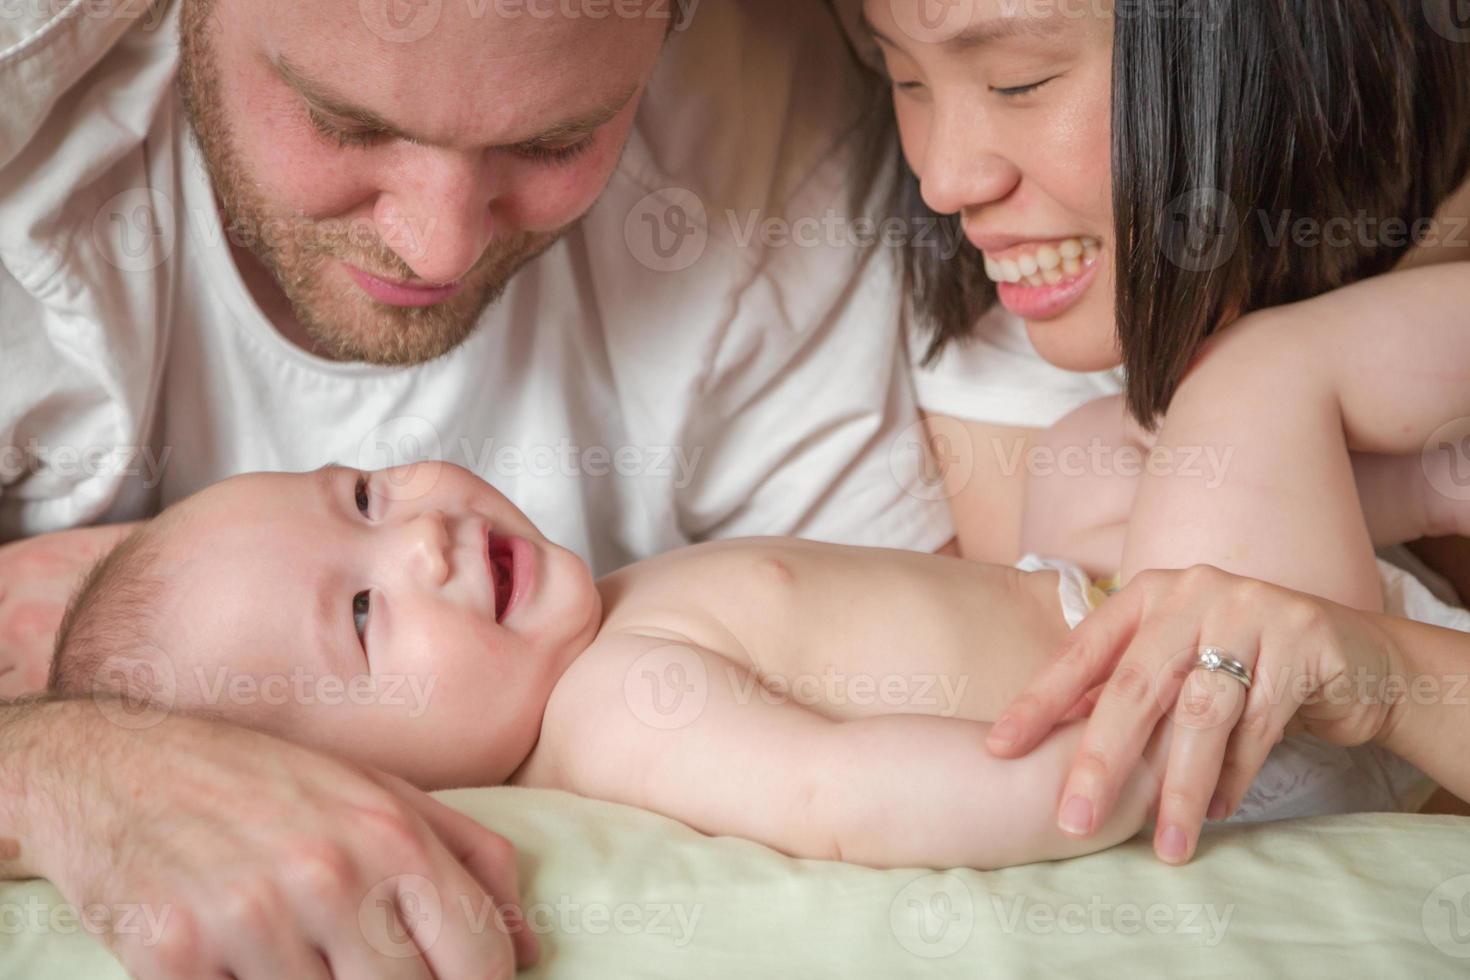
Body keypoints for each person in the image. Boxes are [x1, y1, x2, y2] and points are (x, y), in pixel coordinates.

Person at [0, 1, 952, 975]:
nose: (438, 248)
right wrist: (78, 767)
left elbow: (933, 645)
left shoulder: (767, 145)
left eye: (556, 143)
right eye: (346, 122)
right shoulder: (25, 136)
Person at [47, 262, 1470, 885]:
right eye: (362, 616)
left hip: (1122, 612)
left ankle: (1420, 486)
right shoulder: (619, 714)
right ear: (373, 787)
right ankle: (1395, 466)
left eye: (360, 494)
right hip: (1212, 710)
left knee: (1083, 462)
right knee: (1248, 380)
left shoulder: (596, 643)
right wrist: (1111, 764)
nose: (412, 537)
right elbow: (836, 799)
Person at [856, 0, 1470, 863]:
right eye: (906, 78)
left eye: (1018, 81)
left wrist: (1269, 374)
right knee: (1085, 468)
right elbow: (1137, 745)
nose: (945, 180)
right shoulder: (1023, 326)